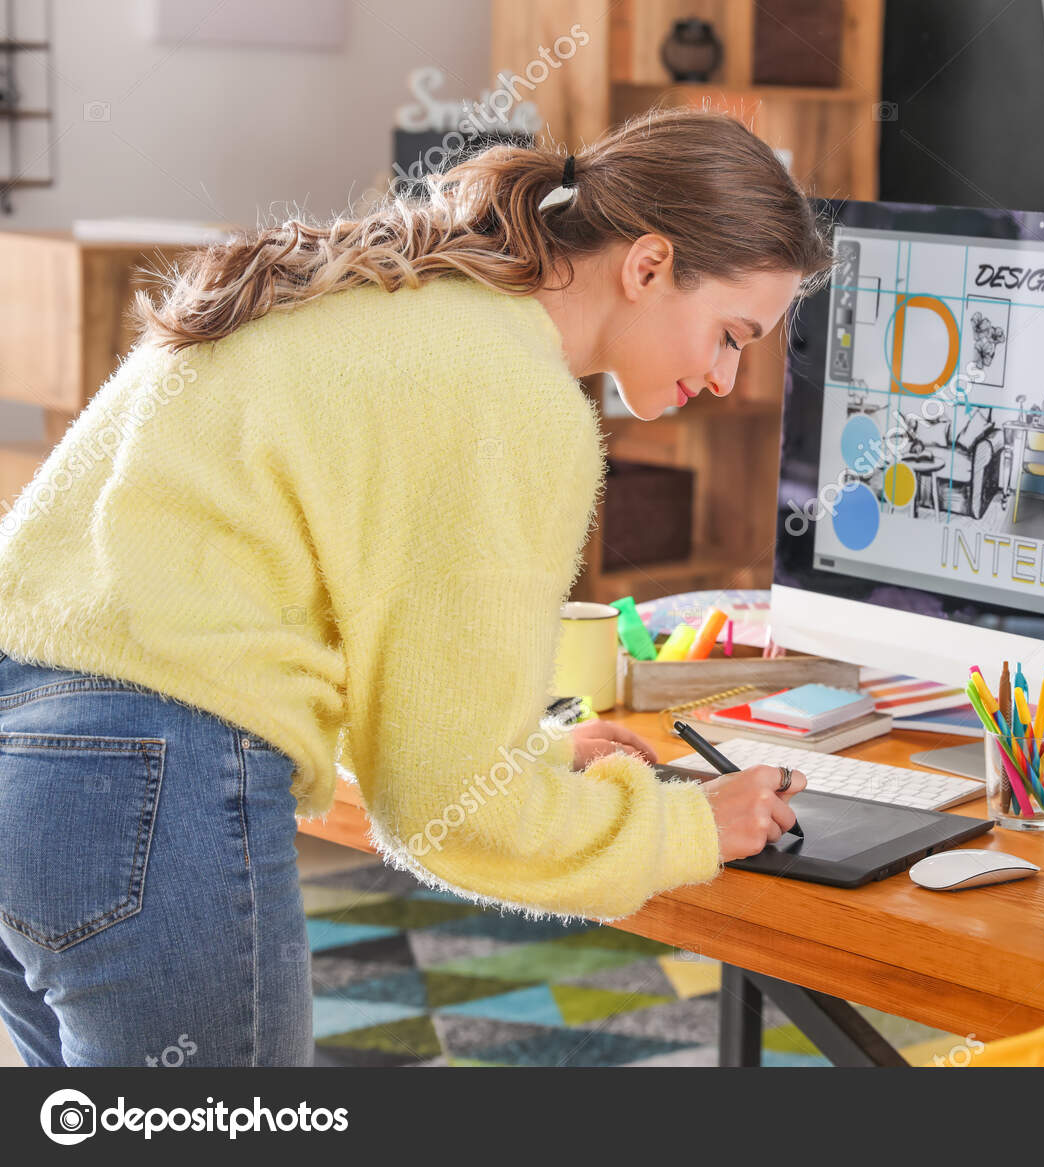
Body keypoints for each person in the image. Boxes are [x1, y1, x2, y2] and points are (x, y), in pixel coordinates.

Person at [0, 107, 831, 1066]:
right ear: (647, 266)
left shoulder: (398, 288)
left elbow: (276, 601)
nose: (728, 377)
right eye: (732, 334)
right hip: (146, 789)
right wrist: (691, 825)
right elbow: (449, 810)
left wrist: (530, 752)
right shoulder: (510, 393)